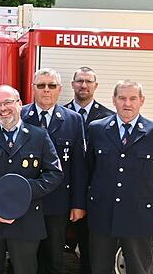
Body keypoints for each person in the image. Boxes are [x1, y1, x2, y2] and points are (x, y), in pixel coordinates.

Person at [86, 80, 153, 274]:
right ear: (113, 100)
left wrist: (149, 192)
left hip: (138, 215)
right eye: (122, 98)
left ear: (142, 101)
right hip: (103, 213)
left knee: (138, 269)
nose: (127, 104)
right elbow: (88, 168)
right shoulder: (97, 129)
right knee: (99, 268)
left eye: (133, 98)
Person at [0, 85, 62, 274]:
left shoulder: (39, 136)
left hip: (26, 219)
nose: (3, 108)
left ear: (20, 104)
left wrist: (23, 191)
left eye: (8, 102)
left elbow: (54, 174)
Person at [21, 68, 86, 274]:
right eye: (41, 85)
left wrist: (77, 203)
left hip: (57, 202)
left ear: (59, 89)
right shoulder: (20, 114)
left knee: (54, 260)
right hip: (25, 201)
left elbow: (78, 165)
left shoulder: (73, 119)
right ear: (33, 89)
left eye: (51, 86)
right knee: (22, 258)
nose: (46, 90)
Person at [63, 66, 113, 274]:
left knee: (91, 253)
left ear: (96, 86)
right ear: (73, 84)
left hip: (94, 196)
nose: (84, 85)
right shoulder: (60, 114)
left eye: (88, 81)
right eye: (80, 81)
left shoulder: (109, 118)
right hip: (63, 194)